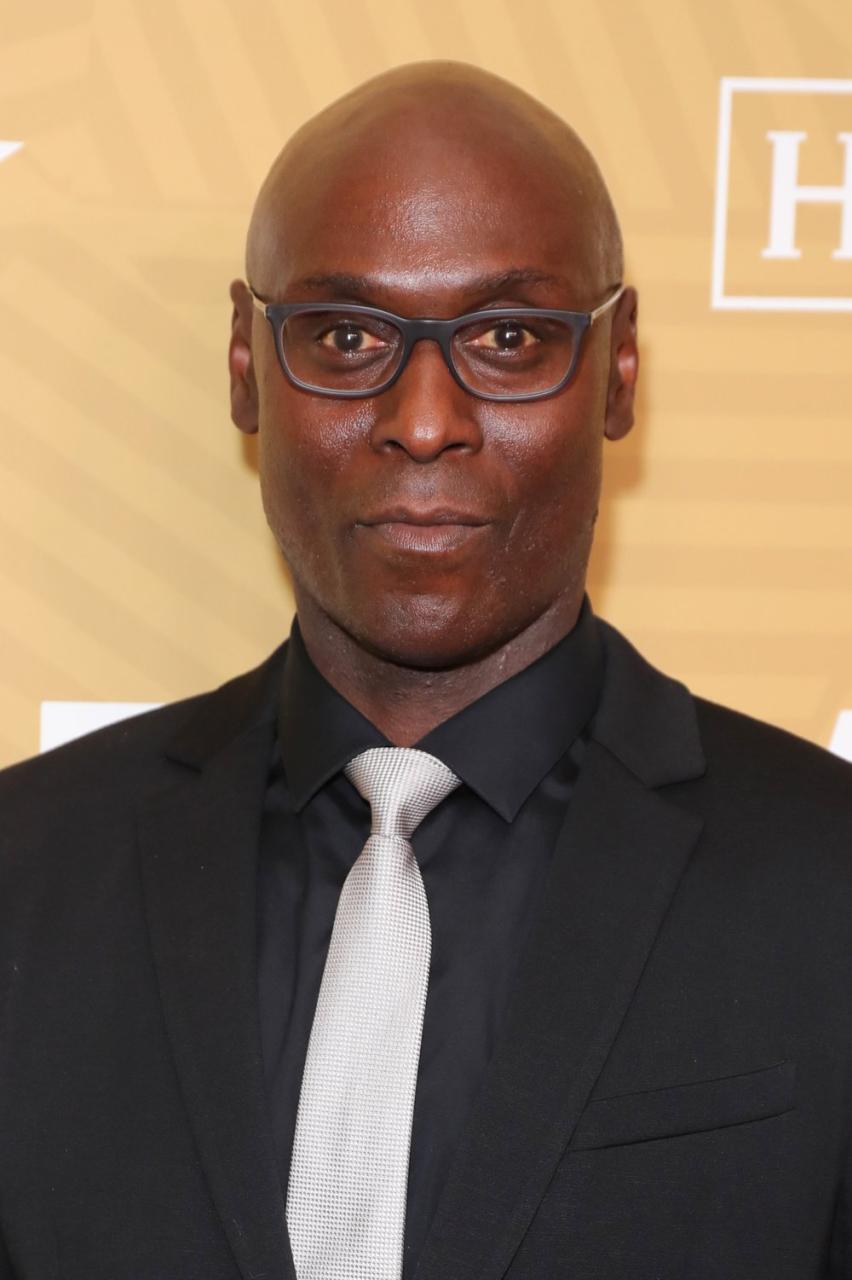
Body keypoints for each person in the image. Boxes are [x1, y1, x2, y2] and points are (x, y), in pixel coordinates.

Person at [1, 60, 851, 1280]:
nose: (425, 417)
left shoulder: (828, 884)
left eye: (510, 337)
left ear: (618, 371)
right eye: (347, 335)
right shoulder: (26, 873)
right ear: (246, 363)